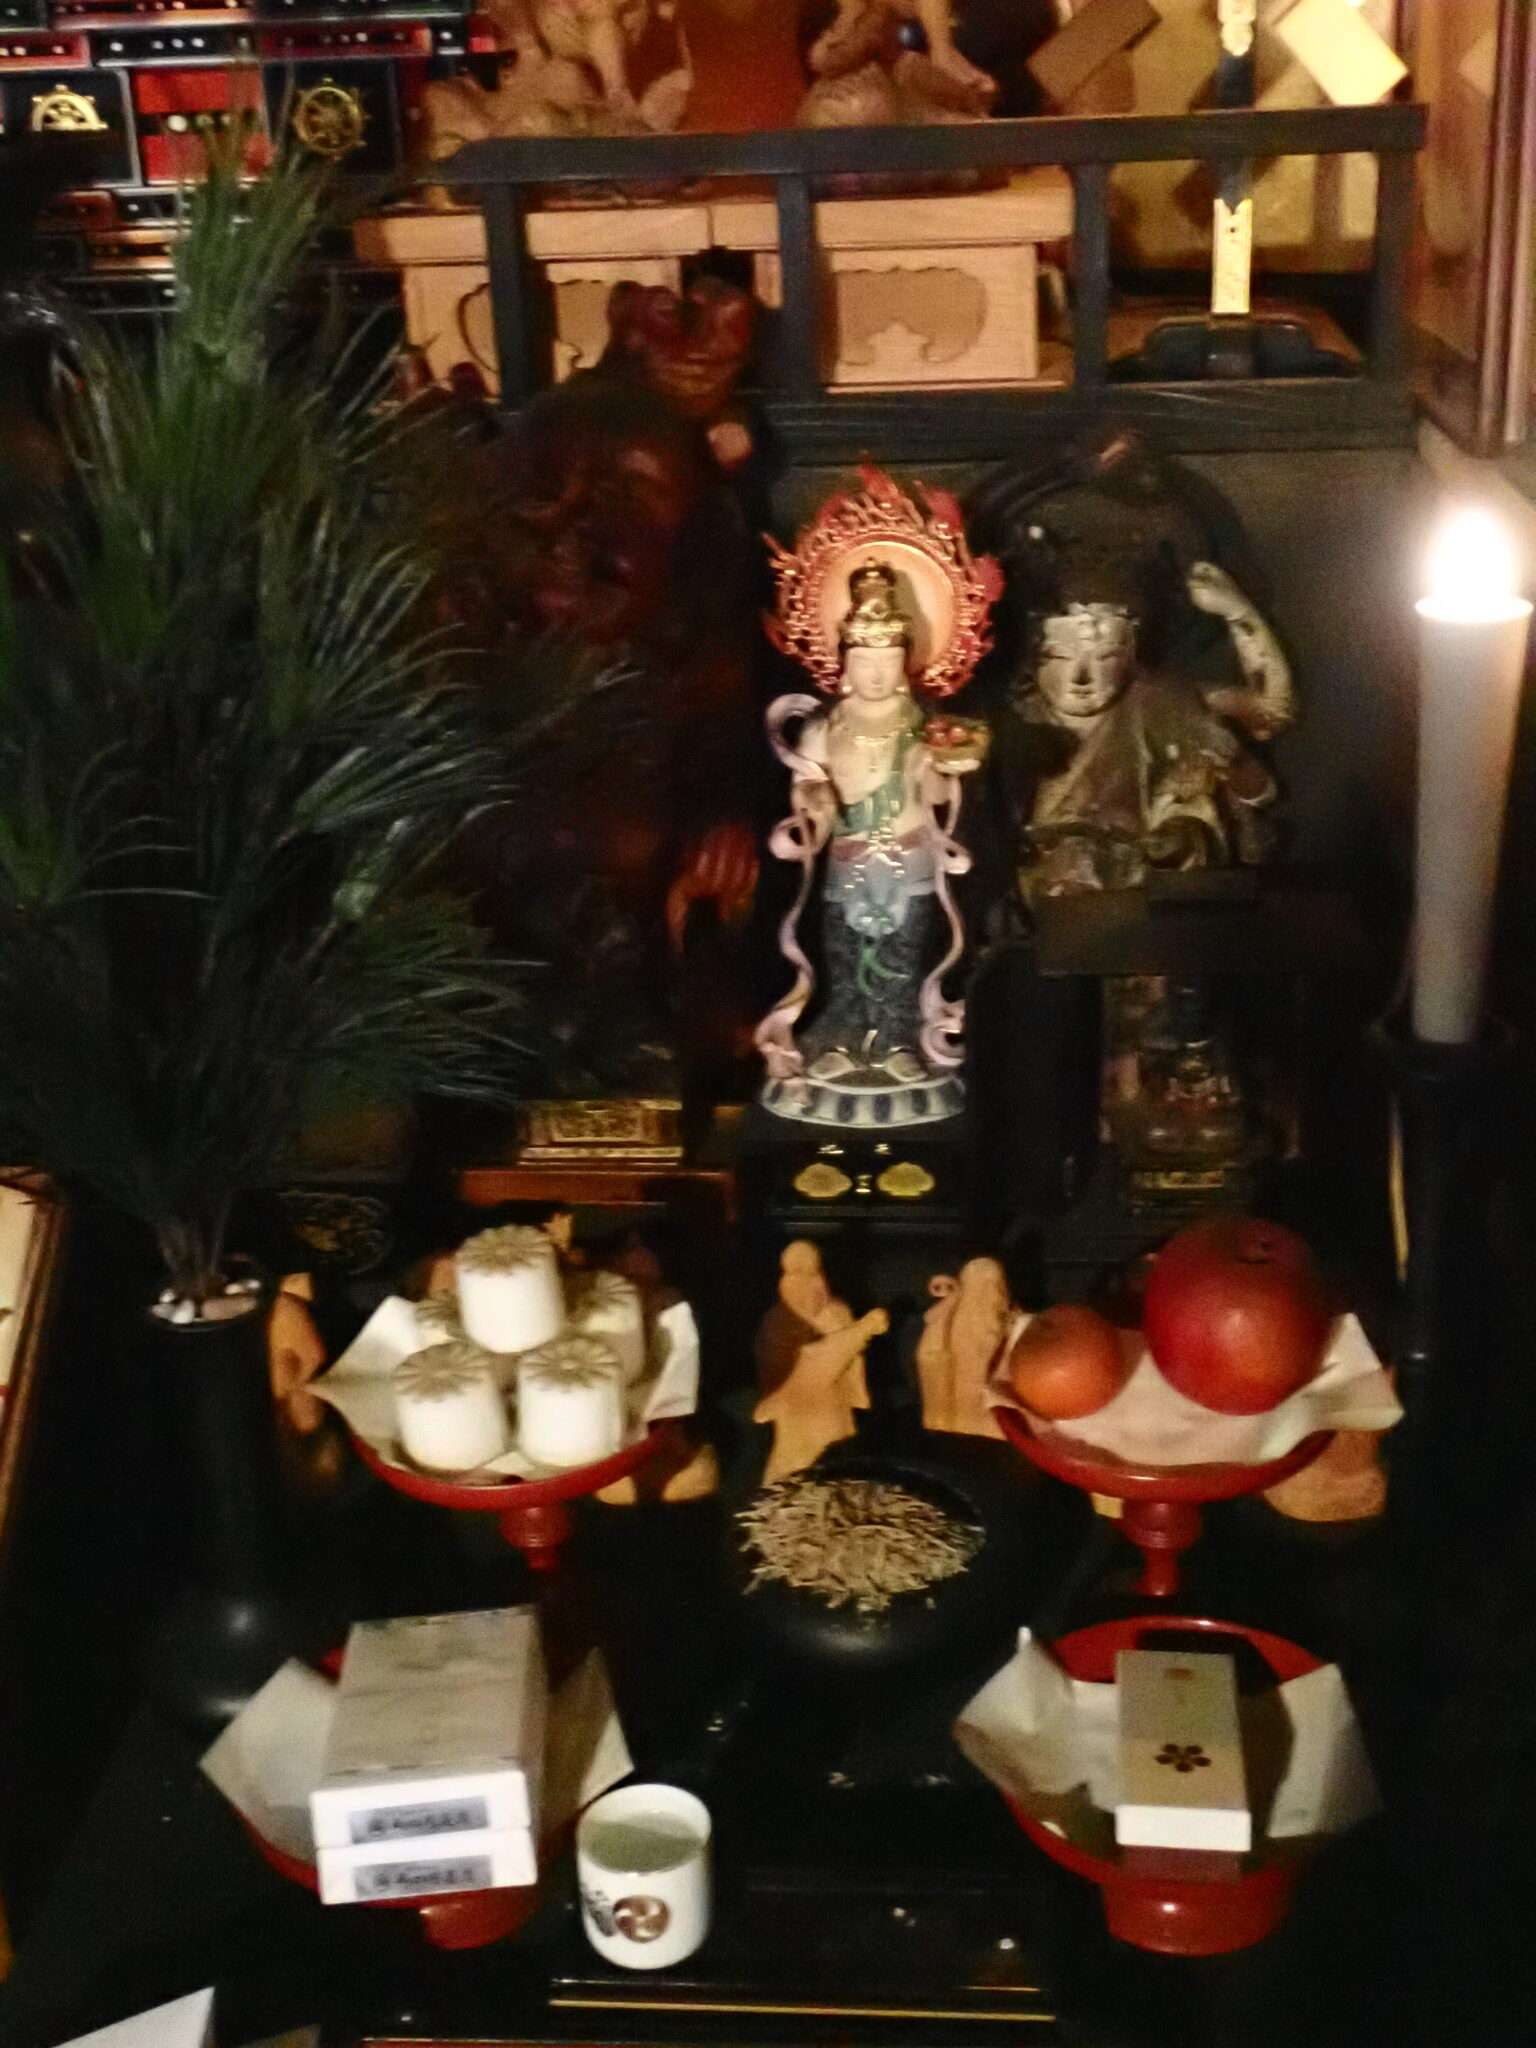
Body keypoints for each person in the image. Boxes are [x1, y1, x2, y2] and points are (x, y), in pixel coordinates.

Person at [758, 563, 987, 1120]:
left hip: (909, 855)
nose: (877, 674)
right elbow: (806, 786)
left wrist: (944, 764)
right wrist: (816, 802)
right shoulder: (826, 725)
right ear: (845, 664)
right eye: (864, 661)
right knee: (841, 948)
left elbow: (936, 794)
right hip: (848, 856)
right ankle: (843, 1039)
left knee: (905, 951)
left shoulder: (921, 723)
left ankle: (899, 1041)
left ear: (905, 662)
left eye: (887, 661)